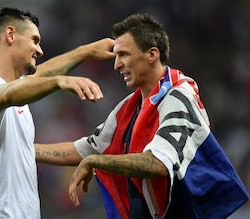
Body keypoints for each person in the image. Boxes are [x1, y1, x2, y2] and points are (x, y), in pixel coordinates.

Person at [35, 13, 249, 218]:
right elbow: (87, 148)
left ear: (152, 54)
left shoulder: (179, 97)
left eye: (124, 55)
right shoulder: (129, 107)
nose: (117, 64)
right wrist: (25, 149)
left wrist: (97, 161)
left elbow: (158, 163)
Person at [0, 6, 115, 219]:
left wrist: (86, 52)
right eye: (34, 40)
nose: (40, 50)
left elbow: (39, 75)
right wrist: (60, 82)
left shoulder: (18, 95)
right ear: (10, 34)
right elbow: (6, 95)